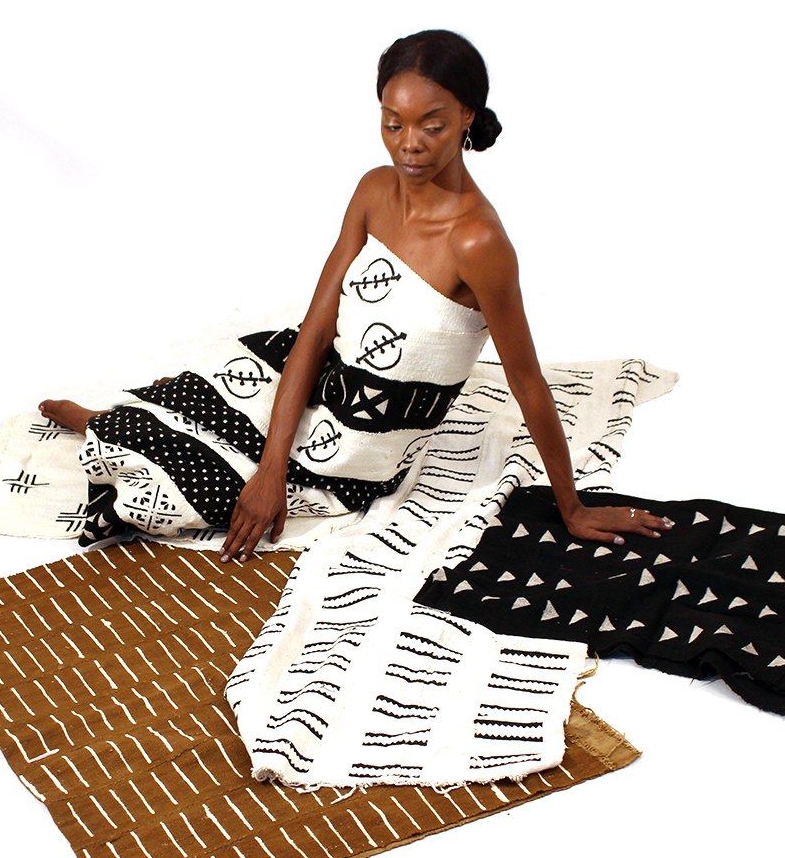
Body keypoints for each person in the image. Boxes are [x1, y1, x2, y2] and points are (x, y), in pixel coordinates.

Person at [41, 29, 675, 563]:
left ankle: (110, 429)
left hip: (359, 437)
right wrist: (270, 468)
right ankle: (110, 422)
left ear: (468, 118)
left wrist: (572, 507)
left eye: (431, 125)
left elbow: (527, 381)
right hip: (312, 367)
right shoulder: (374, 190)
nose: (409, 143)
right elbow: (317, 329)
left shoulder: (478, 242)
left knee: (172, 491)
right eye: (392, 123)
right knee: (197, 398)